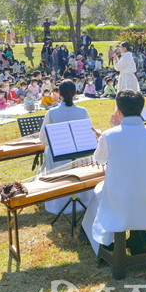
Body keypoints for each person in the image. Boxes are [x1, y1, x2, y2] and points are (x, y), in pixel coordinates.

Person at [81, 90, 146, 255]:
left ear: (119, 111)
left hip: (118, 197)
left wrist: (112, 129)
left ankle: (103, 241)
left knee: (99, 191)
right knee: (129, 193)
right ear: (141, 109)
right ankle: (138, 238)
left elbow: (99, 159)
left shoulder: (109, 135)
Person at [38, 80, 96, 215]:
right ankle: (84, 199)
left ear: (59, 94)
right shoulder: (83, 111)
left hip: (60, 156)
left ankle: (58, 201)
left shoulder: (52, 113)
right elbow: (89, 134)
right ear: (75, 93)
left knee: (49, 153)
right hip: (80, 154)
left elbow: (43, 139)